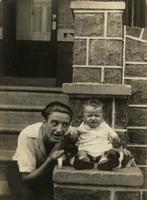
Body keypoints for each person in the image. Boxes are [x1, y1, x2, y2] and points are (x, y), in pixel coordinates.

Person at [12, 101, 72, 200]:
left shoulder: (70, 132)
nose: (60, 130)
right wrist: (50, 160)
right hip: (21, 170)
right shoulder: (28, 135)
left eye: (65, 124)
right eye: (54, 123)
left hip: (45, 171)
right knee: (26, 195)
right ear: (44, 122)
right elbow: (27, 178)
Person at [73, 99, 121, 170]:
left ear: (102, 116)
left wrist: (115, 137)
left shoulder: (105, 126)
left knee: (110, 152)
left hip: (103, 150)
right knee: (81, 153)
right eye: (89, 116)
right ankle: (84, 162)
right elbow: (75, 135)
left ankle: (104, 162)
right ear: (83, 117)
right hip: (86, 151)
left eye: (97, 115)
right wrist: (74, 135)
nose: (93, 118)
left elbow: (113, 134)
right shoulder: (81, 127)